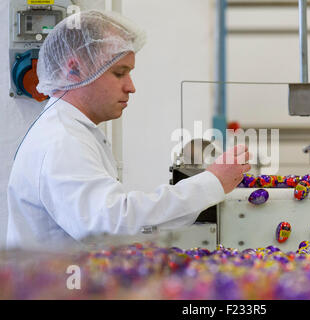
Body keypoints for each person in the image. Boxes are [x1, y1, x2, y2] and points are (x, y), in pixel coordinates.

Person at [6, 10, 250, 251]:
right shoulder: (62, 141)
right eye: (119, 73)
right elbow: (112, 224)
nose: (131, 87)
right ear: (74, 69)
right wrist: (212, 183)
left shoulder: (70, 130)